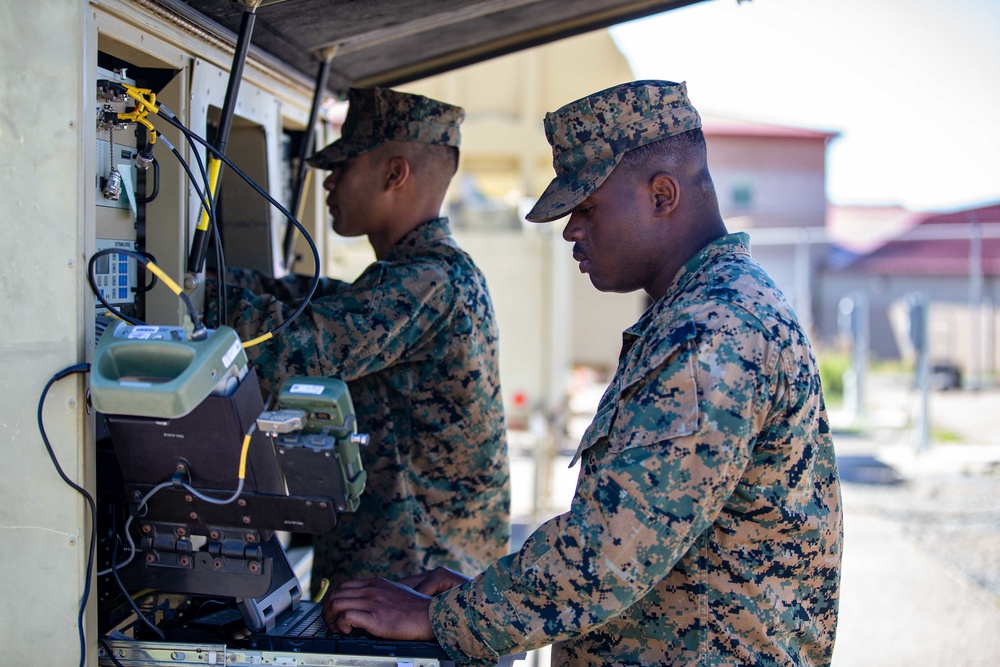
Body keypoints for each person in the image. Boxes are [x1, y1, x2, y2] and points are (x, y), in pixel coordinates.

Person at [322, 80, 844, 666]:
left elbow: (611, 554)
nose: (571, 229)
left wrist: (445, 617)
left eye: (587, 208)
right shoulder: (713, 308)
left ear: (662, 195)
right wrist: (477, 595)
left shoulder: (711, 330)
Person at [210, 87, 511, 593]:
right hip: (402, 582)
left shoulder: (427, 282)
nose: (329, 182)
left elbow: (297, 349)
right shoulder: (422, 276)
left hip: (409, 590)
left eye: (343, 166)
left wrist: (187, 295)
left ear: (394, 174)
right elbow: (323, 302)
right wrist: (226, 282)